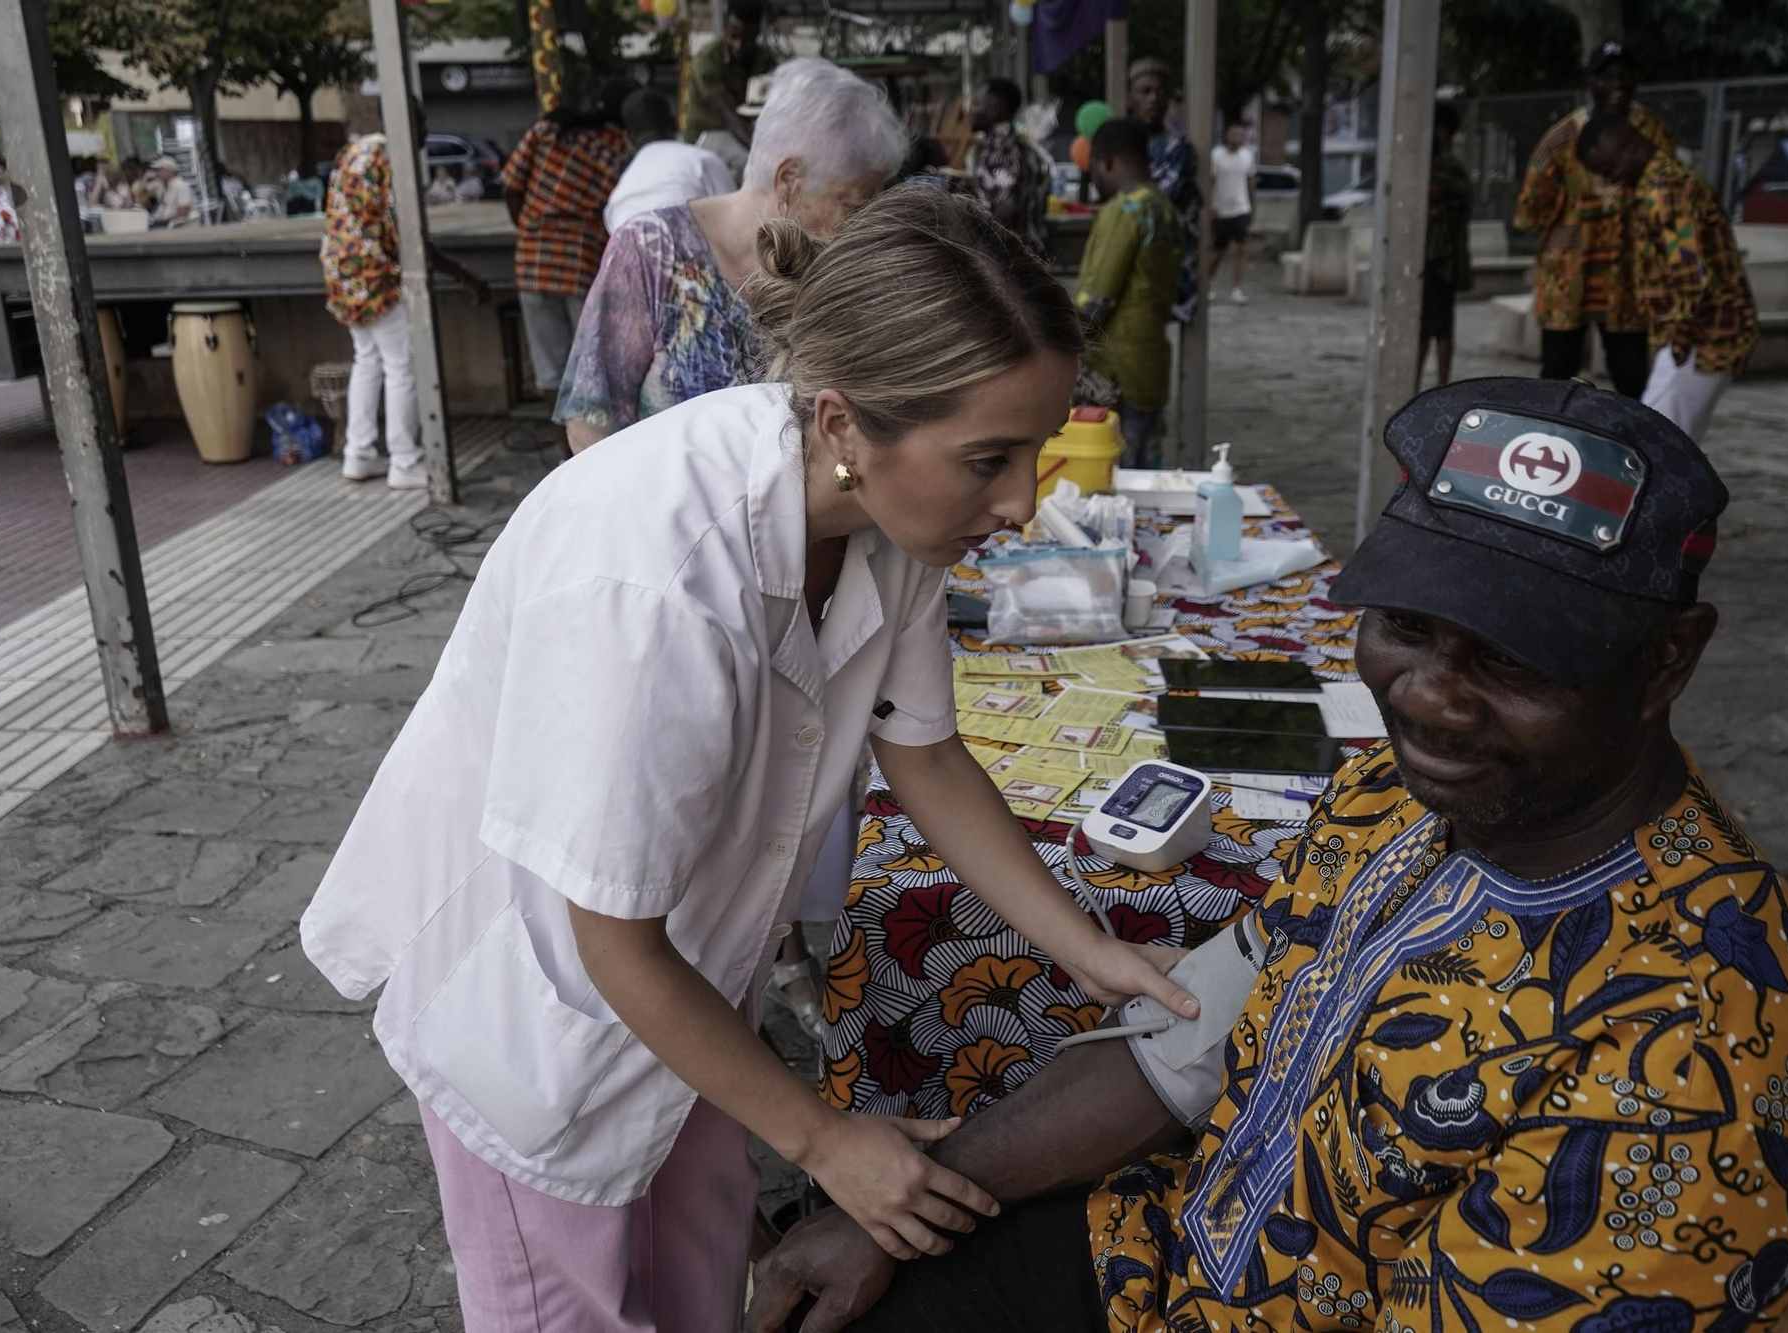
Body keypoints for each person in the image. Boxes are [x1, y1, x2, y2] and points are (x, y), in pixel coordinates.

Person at [750, 374, 1788, 1333]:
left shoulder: (1701, 1055)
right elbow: (1188, 1037)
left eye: (1517, 661)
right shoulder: (1392, 797)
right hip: (1161, 1255)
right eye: (1408, 626)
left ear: (1667, 660)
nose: (1430, 700)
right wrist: (902, 1204)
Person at [302, 182, 1202, 1331]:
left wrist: (1088, 952)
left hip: (690, 999)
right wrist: (827, 1141)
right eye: (989, 458)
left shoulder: (889, 517)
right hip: (543, 1019)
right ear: (840, 426)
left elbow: (923, 756)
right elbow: (607, 943)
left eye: (1032, 449)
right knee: (568, 1302)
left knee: (697, 1288)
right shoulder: (654, 580)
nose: (1022, 500)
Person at [555, 57, 905, 455]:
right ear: (789, 180)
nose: (858, 227)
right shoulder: (651, 249)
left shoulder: (831, 270)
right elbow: (590, 423)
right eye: (851, 206)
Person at [320, 107, 489, 489]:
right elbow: (410, 235)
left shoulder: (354, 150)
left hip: (342, 273)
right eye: (423, 124)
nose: (425, 133)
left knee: (368, 359)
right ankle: (404, 461)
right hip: (374, 275)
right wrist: (461, 273)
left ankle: (358, 454)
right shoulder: (391, 159)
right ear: (405, 123)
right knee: (401, 366)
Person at [1577, 112, 1759, 445]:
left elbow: (1692, 276)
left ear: (1627, 146)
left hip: (1700, 341)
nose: (1611, 180)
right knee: (1671, 449)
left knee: (1655, 450)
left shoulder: (1666, 188)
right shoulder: (1662, 181)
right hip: (1699, 338)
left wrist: (1677, 347)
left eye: (1609, 168)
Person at [1513, 38, 1677, 397]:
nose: (1617, 83)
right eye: (1607, 76)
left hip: (1628, 273)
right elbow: (1529, 208)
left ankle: (1629, 447)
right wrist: (1569, 214)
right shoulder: (1561, 137)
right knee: (1558, 372)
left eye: (1625, 75)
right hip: (1568, 274)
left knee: (1631, 374)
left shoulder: (1652, 132)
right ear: (1591, 82)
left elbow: (1671, 192)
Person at [502, 90, 632, 402]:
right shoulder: (614, 145)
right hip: (580, 260)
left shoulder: (546, 132)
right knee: (588, 366)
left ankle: (564, 451)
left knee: (549, 368)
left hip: (532, 259)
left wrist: (527, 229)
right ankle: (590, 447)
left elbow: (511, 186)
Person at [1075, 118, 1181, 468]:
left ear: (1106, 160)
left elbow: (1096, 301)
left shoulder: (1125, 210)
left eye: (1094, 170)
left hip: (1116, 371)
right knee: (1146, 470)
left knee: (1117, 476)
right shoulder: (1165, 208)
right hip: (1150, 365)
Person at [604, 86, 736, 235]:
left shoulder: (618, 197)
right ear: (675, 123)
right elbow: (734, 223)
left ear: (627, 137)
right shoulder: (703, 161)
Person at [1128, 57, 1200, 325]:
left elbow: (1156, 201)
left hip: (1166, 258)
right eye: (1145, 91)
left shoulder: (1175, 147)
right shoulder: (1124, 142)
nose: (1154, 98)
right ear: (1129, 97)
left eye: (1160, 91)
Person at [681, 0, 776, 180]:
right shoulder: (707, 59)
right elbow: (728, 116)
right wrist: (765, 152)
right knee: (749, 162)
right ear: (725, 30)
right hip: (707, 133)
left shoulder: (765, 59)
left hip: (747, 129)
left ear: (757, 34)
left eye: (747, 39)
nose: (738, 45)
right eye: (733, 37)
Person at [1419, 102, 1473, 390]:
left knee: (1438, 328)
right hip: (1430, 258)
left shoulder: (1449, 168)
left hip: (1442, 259)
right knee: (1425, 327)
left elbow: (1430, 195)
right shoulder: (1434, 165)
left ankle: (1441, 385)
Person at [968, 77, 1052, 259]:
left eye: (977, 104)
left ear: (995, 109)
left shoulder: (1000, 147)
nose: (970, 111)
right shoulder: (1025, 146)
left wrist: (985, 249)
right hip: (1033, 254)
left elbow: (1008, 205)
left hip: (1010, 259)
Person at [1206, 120, 1255, 304]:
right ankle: (1208, 283)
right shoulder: (1216, 155)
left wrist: (1252, 207)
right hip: (1221, 210)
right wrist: (1211, 203)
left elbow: (1250, 182)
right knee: (1218, 251)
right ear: (1227, 134)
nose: (1238, 138)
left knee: (1241, 249)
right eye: (1235, 134)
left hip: (1241, 208)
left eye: (1241, 135)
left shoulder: (1247, 156)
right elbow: (1210, 181)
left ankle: (1236, 288)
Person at [147, 156, 196, 227]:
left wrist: (163, 219)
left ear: (170, 171)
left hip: (175, 224)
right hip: (162, 221)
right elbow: (144, 193)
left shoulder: (181, 186)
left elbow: (184, 212)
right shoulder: (163, 186)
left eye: (159, 170)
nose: (157, 173)